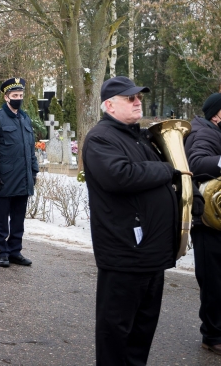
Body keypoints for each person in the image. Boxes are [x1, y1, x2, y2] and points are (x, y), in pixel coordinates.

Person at [82, 76, 183, 366]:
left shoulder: (140, 137)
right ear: (110, 105)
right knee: (116, 332)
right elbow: (119, 176)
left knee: (141, 331)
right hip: (125, 252)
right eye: (130, 98)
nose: (138, 102)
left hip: (151, 253)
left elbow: (171, 178)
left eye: (139, 97)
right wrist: (167, 170)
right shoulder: (101, 138)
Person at [0, 77, 38, 267]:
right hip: (4, 178)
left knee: (19, 219)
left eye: (20, 95)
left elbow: (30, 148)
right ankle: (3, 252)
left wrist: (34, 171)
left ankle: (15, 251)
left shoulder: (24, 118)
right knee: (2, 219)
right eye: (15, 96)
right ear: (6, 97)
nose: (18, 99)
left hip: (23, 177)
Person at [185, 92, 221, 356]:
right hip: (208, 221)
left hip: (215, 220)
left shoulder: (213, 131)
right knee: (214, 282)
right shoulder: (204, 133)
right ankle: (213, 336)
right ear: (218, 114)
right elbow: (196, 163)